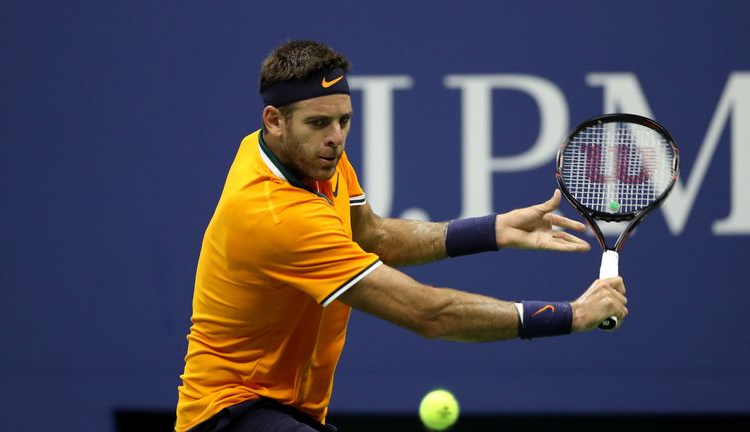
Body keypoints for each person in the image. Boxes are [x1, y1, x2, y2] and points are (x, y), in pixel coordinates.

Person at [175, 40, 628, 432]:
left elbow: (372, 236)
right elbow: (429, 314)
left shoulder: (311, 158)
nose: (336, 138)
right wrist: (570, 315)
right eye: (318, 124)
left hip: (291, 409)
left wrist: (493, 230)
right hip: (229, 413)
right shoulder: (275, 215)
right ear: (274, 120)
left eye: (344, 120)